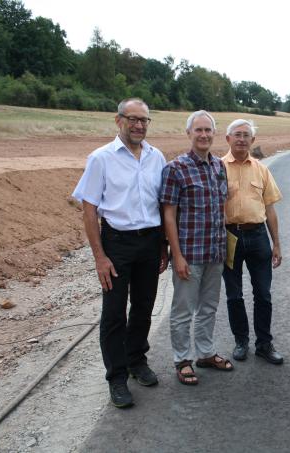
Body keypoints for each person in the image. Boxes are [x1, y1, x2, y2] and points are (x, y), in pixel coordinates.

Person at [72, 98, 168, 408]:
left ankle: (136, 360)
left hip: (150, 241)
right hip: (117, 243)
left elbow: (163, 206)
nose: (139, 125)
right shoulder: (101, 158)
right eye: (133, 119)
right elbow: (89, 213)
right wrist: (100, 257)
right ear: (119, 121)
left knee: (143, 305)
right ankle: (116, 377)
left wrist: (164, 245)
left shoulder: (157, 157)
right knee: (113, 312)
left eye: (144, 120)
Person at [160, 110, 232, 386]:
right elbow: (168, 215)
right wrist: (175, 255)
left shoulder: (218, 166)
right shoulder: (175, 169)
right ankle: (182, 359)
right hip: (189, 255)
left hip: (215, 253)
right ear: (189, 134)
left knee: (209, 307)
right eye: (198, 130)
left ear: (214, 134)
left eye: (208, 130)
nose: (203, 135)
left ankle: (204, 353)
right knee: (182, 310)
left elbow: (221, 206)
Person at [221, 119, 284, 365]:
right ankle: (241, 341)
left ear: (253, 141)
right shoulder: (217, 168)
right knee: (234, 294)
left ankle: (264, 344)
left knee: (263, 294)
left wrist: (276, 243)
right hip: (229, 236)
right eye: (237, 134)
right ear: (228, 139)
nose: (241, 139)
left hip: (258, 235)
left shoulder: (261, 169)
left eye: (246, 135)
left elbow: (270, 209)